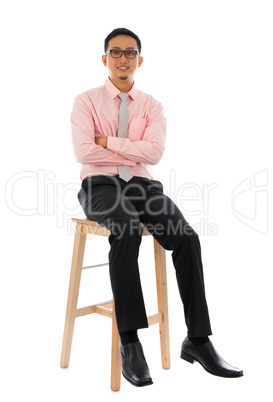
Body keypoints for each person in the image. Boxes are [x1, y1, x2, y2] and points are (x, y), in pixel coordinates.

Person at [71, 27, 243, 387]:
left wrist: (110, 141)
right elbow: (84, 151)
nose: (122, 59)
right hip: (100, 185)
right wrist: (130, 145)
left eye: (130, 53)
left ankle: (198, 340)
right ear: (105, 59)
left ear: (139, 60)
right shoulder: (85, 101)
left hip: (142, 185)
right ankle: (130, 342)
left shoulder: (152, 106)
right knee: (127, 228)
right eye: (115, 52)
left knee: (187, 238)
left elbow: (155, 153)